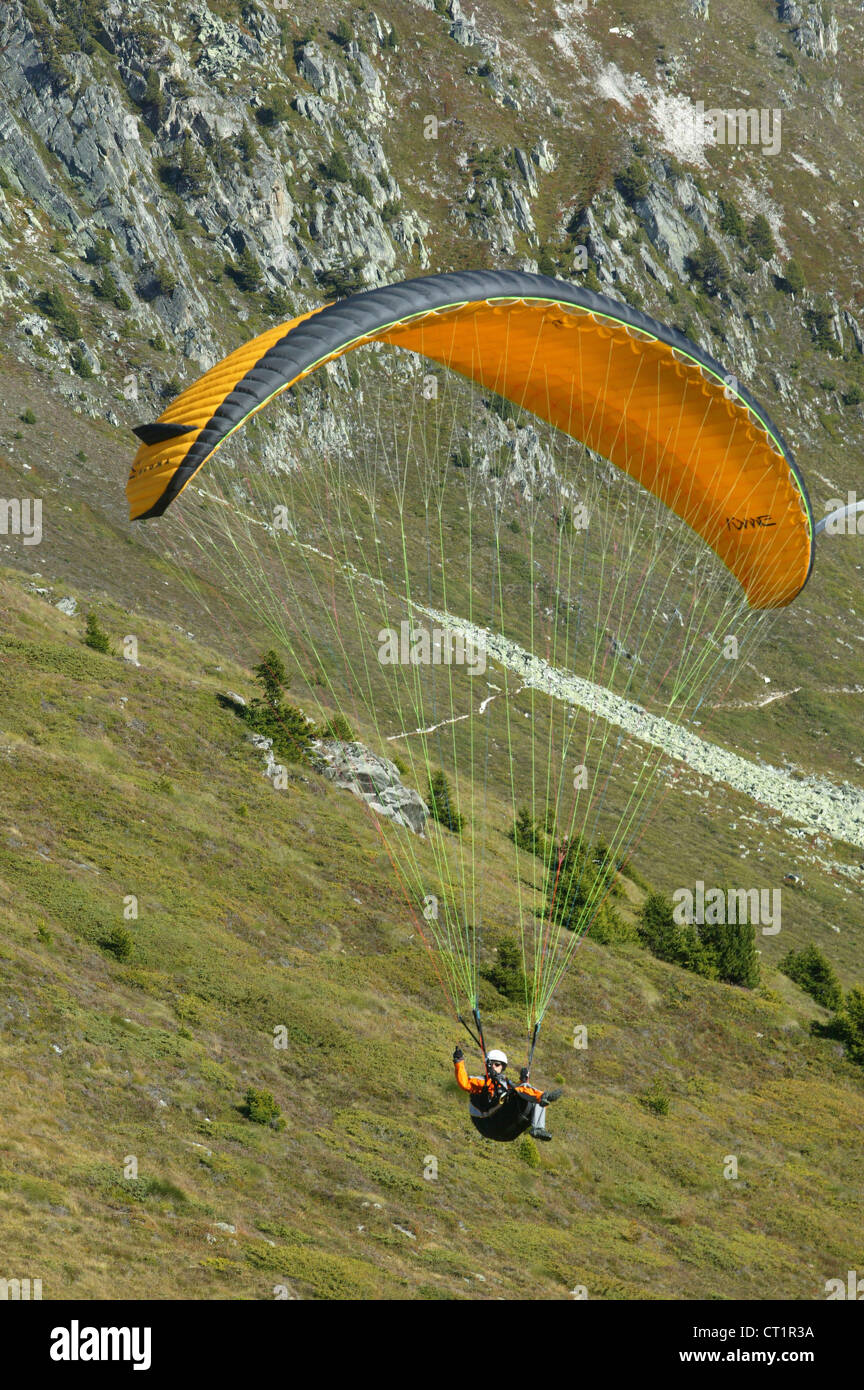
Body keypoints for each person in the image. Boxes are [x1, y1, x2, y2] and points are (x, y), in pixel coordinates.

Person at [452, 1045, 562, 1141]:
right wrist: (459, 1062)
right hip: (485, 1122)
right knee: (524, 1089)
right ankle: (542, 1096)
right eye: (492, 1064)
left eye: (497, 1064)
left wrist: (524, 1080)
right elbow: (464, 1083)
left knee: (529, 1094)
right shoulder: (482, 1081)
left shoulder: (504, 1082)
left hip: (504, 1129)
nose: (494, 1066)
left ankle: (538, 1127)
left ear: (502, 1067)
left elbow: (518, 1090)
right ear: (487, 1065)